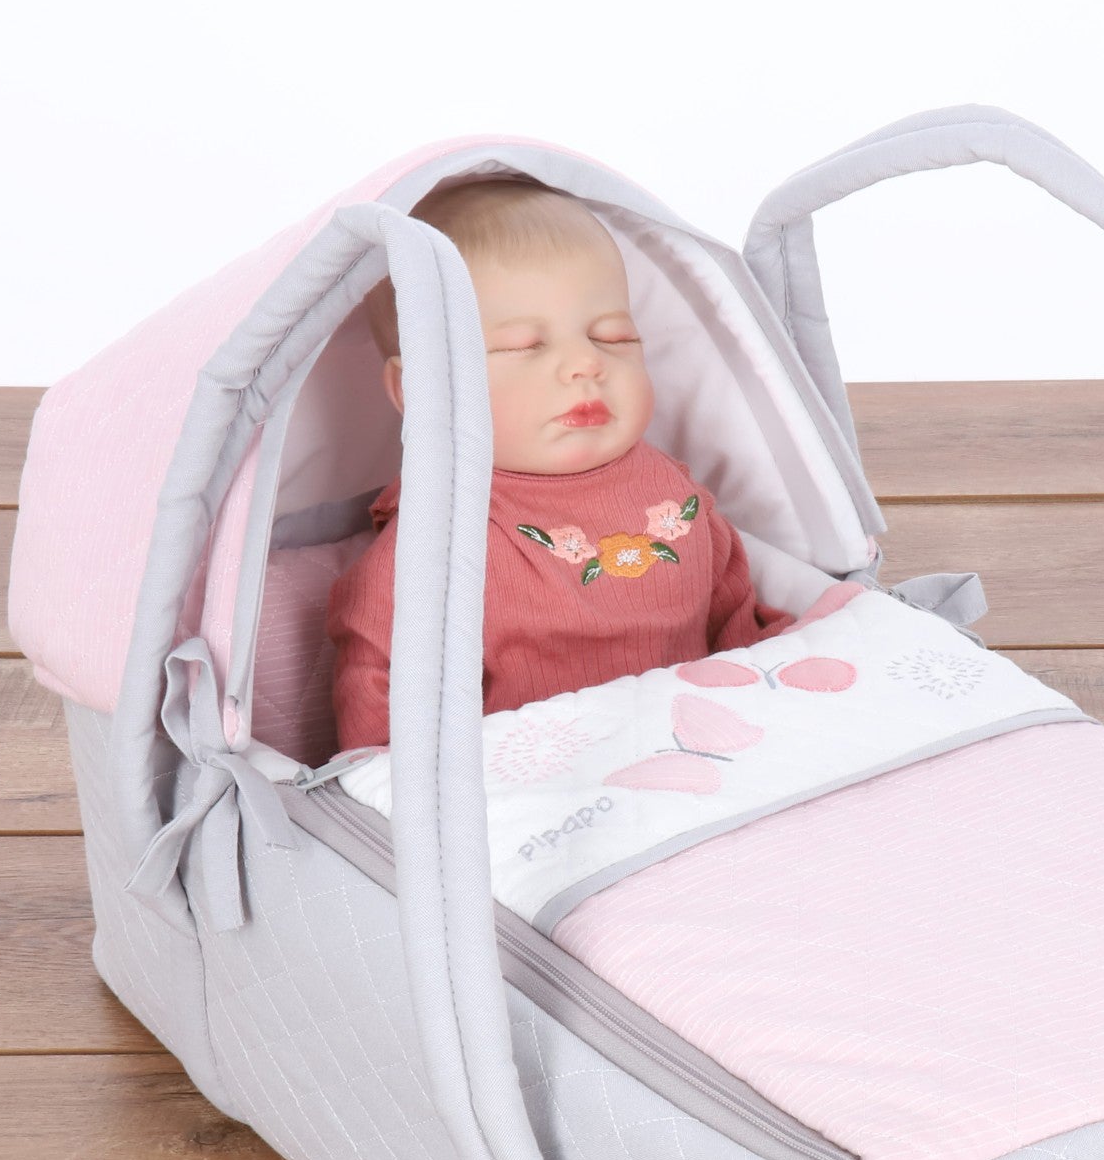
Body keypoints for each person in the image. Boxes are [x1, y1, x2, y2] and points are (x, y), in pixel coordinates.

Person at [327, 178, 789, 748]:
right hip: (530, 781)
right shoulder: (435, 540)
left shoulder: (674, 491)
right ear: (420, 387)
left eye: (613, 337)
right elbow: (381, 699)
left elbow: (735, 621)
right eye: (526, 345)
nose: (585, 364)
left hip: (700, 748)